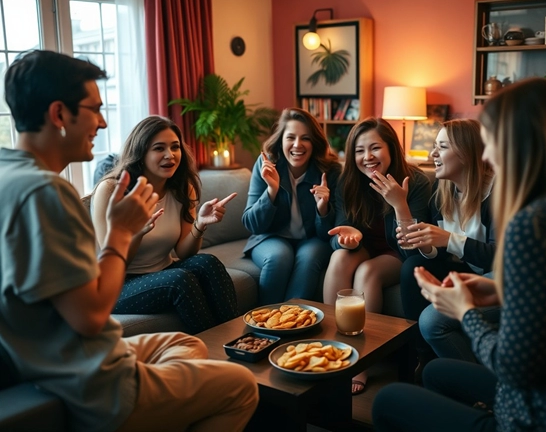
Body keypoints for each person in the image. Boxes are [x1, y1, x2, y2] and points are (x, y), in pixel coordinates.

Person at [0, 50, 258, 432]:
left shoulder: (9, 174)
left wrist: (198, 226)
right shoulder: (46, 193)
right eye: (94, 109)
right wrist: (122, 232)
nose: (103, 123)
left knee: (188, 346)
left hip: (71, 356)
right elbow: (90, 316)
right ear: (58, 114)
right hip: (93, 381)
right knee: (242, 386)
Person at [372, 77, 546, 431]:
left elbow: (514, 368)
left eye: (491, 142)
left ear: (521, 144)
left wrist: (465, 312)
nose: (488, 155)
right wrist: (498, 290)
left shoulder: (535, 222)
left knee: (388, 399)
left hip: (534, 414)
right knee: (435, 371)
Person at [92, 115, 238, 334]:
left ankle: (239, 340)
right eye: (159, 148)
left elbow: (183, 252)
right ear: (141, 153)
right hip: (116, 285)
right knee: (180, 280)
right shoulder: (112, 190)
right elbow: (114, 263)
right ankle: (216, 349)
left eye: (175, 147)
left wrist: (200, 224)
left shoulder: (181, 188)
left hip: (161, 269)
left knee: (208, 263)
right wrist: (138, 233)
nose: (170, 155)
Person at [323, 117, 431, 394]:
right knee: (339, 259)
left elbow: (413, 248)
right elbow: (338, 235)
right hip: (364, 247)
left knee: (367, 272)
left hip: (397, 251)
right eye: (359, 151)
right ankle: (332, 348)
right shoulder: (348, 181)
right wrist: (347, 241)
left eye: (375, 148)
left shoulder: (415, 181)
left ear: (391, 148)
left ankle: (362, 361)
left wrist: (400, 204)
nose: (367, 157)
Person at [398, 119, 497, 372]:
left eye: (441, 146)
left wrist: (448, 239)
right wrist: (425, 241)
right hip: (464, 271)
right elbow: (440, 252)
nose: (433, 154)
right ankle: (422, 359)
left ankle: (476, 383)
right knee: (412, 265)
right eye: (435, 146)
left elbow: (500, 257)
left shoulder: (497, 194)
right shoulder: (440, 193)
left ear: (465, 153)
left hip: (494, 278)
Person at [242, 107, 342, 304]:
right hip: (271, 237)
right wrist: (271, 191)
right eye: (291, 137)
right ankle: (267, 324)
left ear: (314, 142)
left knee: (309, 256)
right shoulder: (267, 164)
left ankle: (294, 323)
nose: (298, 145)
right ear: (281, 140)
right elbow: (252, 225)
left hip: (312, 240)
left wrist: (323, 209)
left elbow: (327, 234)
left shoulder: (330, 171)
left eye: (305, 138)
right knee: (279, 256)